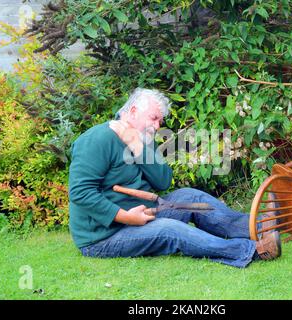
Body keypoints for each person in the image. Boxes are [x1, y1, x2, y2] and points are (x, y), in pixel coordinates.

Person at [68, 88, 281, 268]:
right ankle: (253, 251)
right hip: (104, 236)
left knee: (191, 197)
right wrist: (126, 217)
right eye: (154, 118)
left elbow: (162, 181)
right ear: (133, 111)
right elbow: (80, 193)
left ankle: (263, 227)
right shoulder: (96, 140)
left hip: (145, 213)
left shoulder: (143, 138)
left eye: (160, 120)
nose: (158, 125)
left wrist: (137, 146)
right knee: (170, 230)